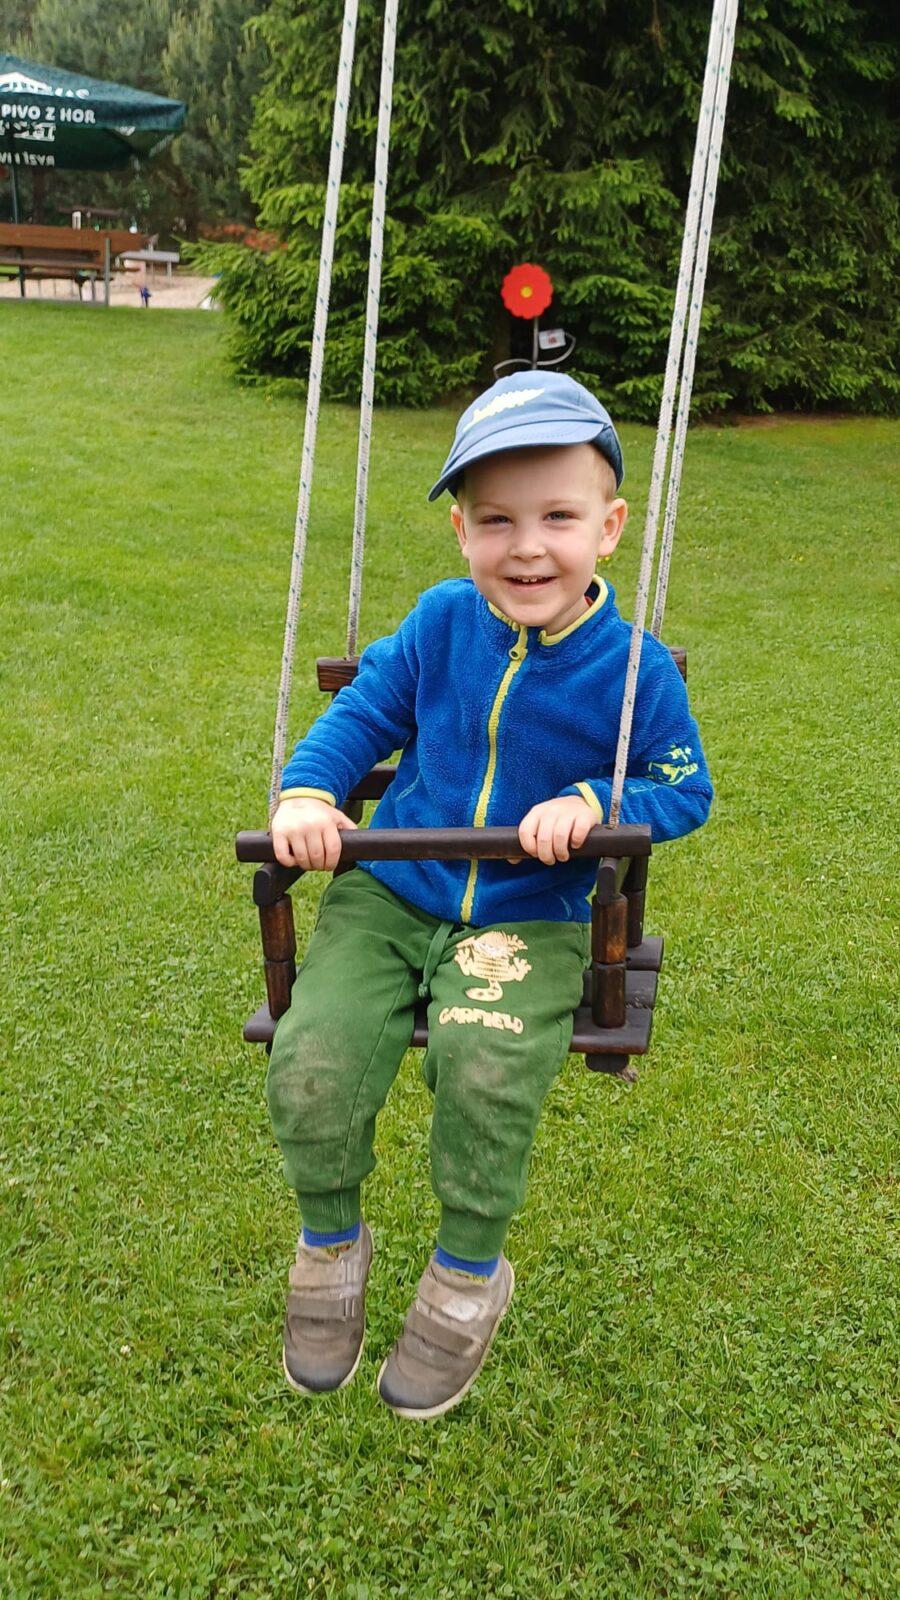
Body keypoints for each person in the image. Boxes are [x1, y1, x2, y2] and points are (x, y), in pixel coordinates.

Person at [267, 371, 712, 1419]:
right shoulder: (439, 624)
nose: (527, 548)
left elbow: (685, 787)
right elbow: (363, 713)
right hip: (392, 893)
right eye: (497, 521)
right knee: (313, 1056)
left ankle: (468, 1273)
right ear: (462, 530)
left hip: (531, 913)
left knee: (484, 1066)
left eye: (558, 517)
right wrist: (310, 788)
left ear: (608, 528)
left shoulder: (634, 670)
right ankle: (330, 1241)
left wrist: (595, 800)